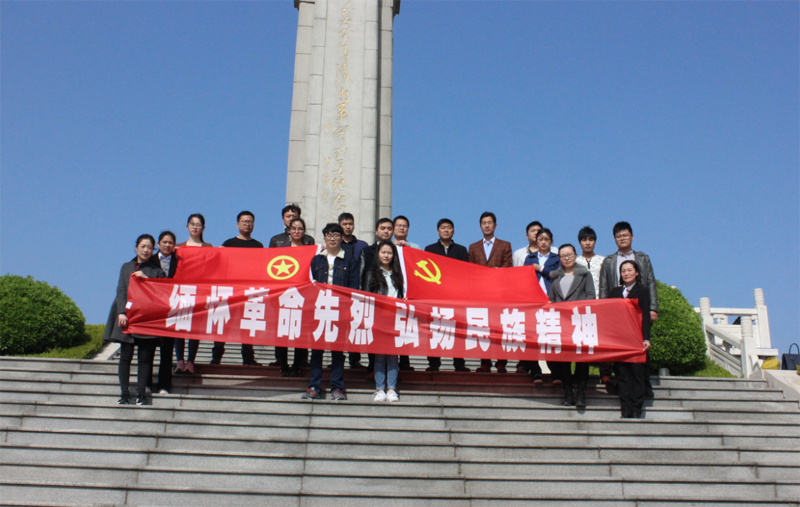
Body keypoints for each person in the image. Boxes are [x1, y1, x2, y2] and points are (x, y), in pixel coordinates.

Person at [102, 234, 165, 405]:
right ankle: (124, 392)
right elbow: (121, 290)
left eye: (150, 247)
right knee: (125, 356)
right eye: (143, 246)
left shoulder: (157, 271)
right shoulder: (126, 267)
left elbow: (161, 294)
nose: (146, 250)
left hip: (146, 319)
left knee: (145, 358)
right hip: (128, 317)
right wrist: (121, 312)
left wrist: (147, 280)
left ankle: (141, 393)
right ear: (136, 248)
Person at [598, 222, 658, 395]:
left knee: (643, 345)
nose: (622, 238)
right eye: (619, 236)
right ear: (614, 239)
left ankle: (645, 384)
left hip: (639, 310)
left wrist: (653, 308)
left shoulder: (643, 258)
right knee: (619, 347)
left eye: (625, 235)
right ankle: (622, 382)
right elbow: (603, 287)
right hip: (618, 313)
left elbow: (651, 283)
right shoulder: (609, 261)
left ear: (632, 237)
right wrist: (604, 310)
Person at [302, 223, 360, 401]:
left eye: (336, 235)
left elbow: (353, 287)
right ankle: (314, 386)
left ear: (341, 238)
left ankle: (337, 387)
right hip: (319, 309)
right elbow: (309, 284)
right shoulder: (316, 260)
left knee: (337, 351)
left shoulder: (350, 260)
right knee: (316, 351)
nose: (332, 238)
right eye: (329, 235)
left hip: (339, 311)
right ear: (324, 238)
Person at [548, 244, 596, 408]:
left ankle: (581, 393)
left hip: (580, 320)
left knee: (582, 359)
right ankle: (568, 393)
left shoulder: (584, 274)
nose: (566, 258)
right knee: (564, 360)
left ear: (575, 255)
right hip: (561, 322)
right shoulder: (556, 277)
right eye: (563, 256)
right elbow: (551, 299)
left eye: (569, 255)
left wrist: (576, 308)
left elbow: (591, 295)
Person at [213, 211, 263, 365]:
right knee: (223, 324)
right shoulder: (229, 244)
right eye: (244, 221)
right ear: (237, 224)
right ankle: (216, 357)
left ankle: (248, 358)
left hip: (249, 291)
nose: (248, 224)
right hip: (230, 291)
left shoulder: (258, 246)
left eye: (250, 222)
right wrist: (218, 253)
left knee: (247, 325)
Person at [468, 212, 513, 373]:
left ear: (495, 225)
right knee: (482, 328)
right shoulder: (473, 247)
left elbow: (508, 266)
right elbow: (470, 269)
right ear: (480, 226)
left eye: (489, 222)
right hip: (480, 294)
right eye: (484, 223)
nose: (487, 225)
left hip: (499, 294)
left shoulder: (505, 245)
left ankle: (501, 362)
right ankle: (485, 362)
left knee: (500, 328)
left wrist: (497, 272)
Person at [607, 260, 652, 419]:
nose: (626, 273)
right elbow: (609, 315)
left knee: (637, 374)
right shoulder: (614, 292)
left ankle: (637, 407)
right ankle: (625, 408)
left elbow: (645, 316)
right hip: (620, 340)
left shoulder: (643, 291)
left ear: (637, 272)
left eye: (629, 270)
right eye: (623, 271)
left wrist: (646, 338)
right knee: (622, 375)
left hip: (636, 338)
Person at [424, 218, 469, 372]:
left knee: (457, 330)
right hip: (435, 297)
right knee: (435, 329)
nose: (446, 230)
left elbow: (466, 273)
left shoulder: (461, 250)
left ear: (453, 231)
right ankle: (433, 363)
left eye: (449, 227)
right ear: (438, 231)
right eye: (443, 227)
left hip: (455, 297)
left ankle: (459, 363)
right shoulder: (429, 249)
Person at [363, 240, 404, 402]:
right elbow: (366, 294)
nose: (386, 255)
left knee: (393, 355)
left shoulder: (399, 273)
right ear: (378, 254)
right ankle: (380, 389)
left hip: (395, 318)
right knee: (379, 356)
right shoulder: (371, 273)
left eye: (389, 252)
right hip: (378, 318)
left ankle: (392, 389)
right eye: (383, 252)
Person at [355, 217, 395, 372]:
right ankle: (373, 368)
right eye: (383, 228)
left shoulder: (398, 251)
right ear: (376, 231)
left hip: (392, 304)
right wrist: (362, 297)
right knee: (373, 337)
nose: (386, 231)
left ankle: (392, 371)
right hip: (373, 300)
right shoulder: (367, 251)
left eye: (389, 229)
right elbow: (361, 275)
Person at [273, 217, 311, 376]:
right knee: (282, 331)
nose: (297, 231)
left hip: (302, 295)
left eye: (300, 228)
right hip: (283, 294)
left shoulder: (310, 250)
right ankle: (283, 365)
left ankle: (296, 365)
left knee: (299, 331)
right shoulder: (281, 249)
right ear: (288, 231)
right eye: (294, 228)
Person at [174, 214, 212, 374]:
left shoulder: (208, 247)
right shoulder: (178, 248)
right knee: (179, 328)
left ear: (203, 228)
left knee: (194, 328)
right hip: (182, 292)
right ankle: (179, 361)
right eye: (192, 224)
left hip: (199, 293)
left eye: (198, 224)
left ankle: (190, 361)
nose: (195, 227)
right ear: (187, 226)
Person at [150, 231, 177, 393]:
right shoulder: (149, 260)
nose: (167, 245)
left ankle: (164, 385)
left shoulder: (179, 261)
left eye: (170, 243)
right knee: (149, 350)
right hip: (153, 311)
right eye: (164, 242)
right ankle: (146, 384)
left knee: (167, 351)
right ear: (158, 244)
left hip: (171, 310)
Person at [575, 225, 604, 298]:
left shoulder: (603, 260)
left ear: (595, 242)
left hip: (601, 300)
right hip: (582, 301)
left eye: (591, 240)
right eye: (584, 240)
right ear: (579, 242)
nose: (587, 243)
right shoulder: (575, 262)